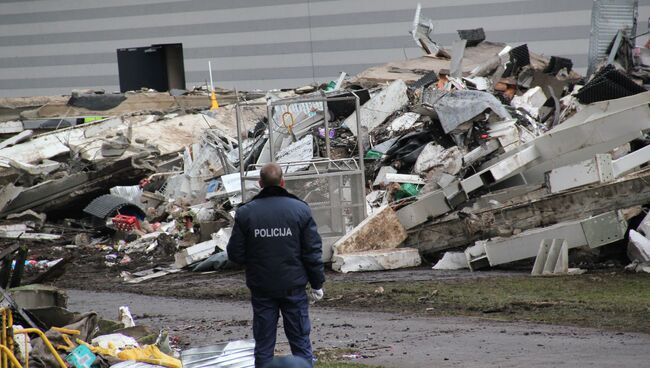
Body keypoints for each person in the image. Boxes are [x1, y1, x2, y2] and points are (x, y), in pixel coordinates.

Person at [227, 163, 325, 368]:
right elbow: (312, 252)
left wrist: (256, 261)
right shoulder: (300, 210)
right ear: (282, 182)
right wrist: (317, 283)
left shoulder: (246, 213)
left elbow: (235, 254)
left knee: (263, 345)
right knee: (300, 343)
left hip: (262, 288)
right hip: (294, 287)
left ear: (260, 183)